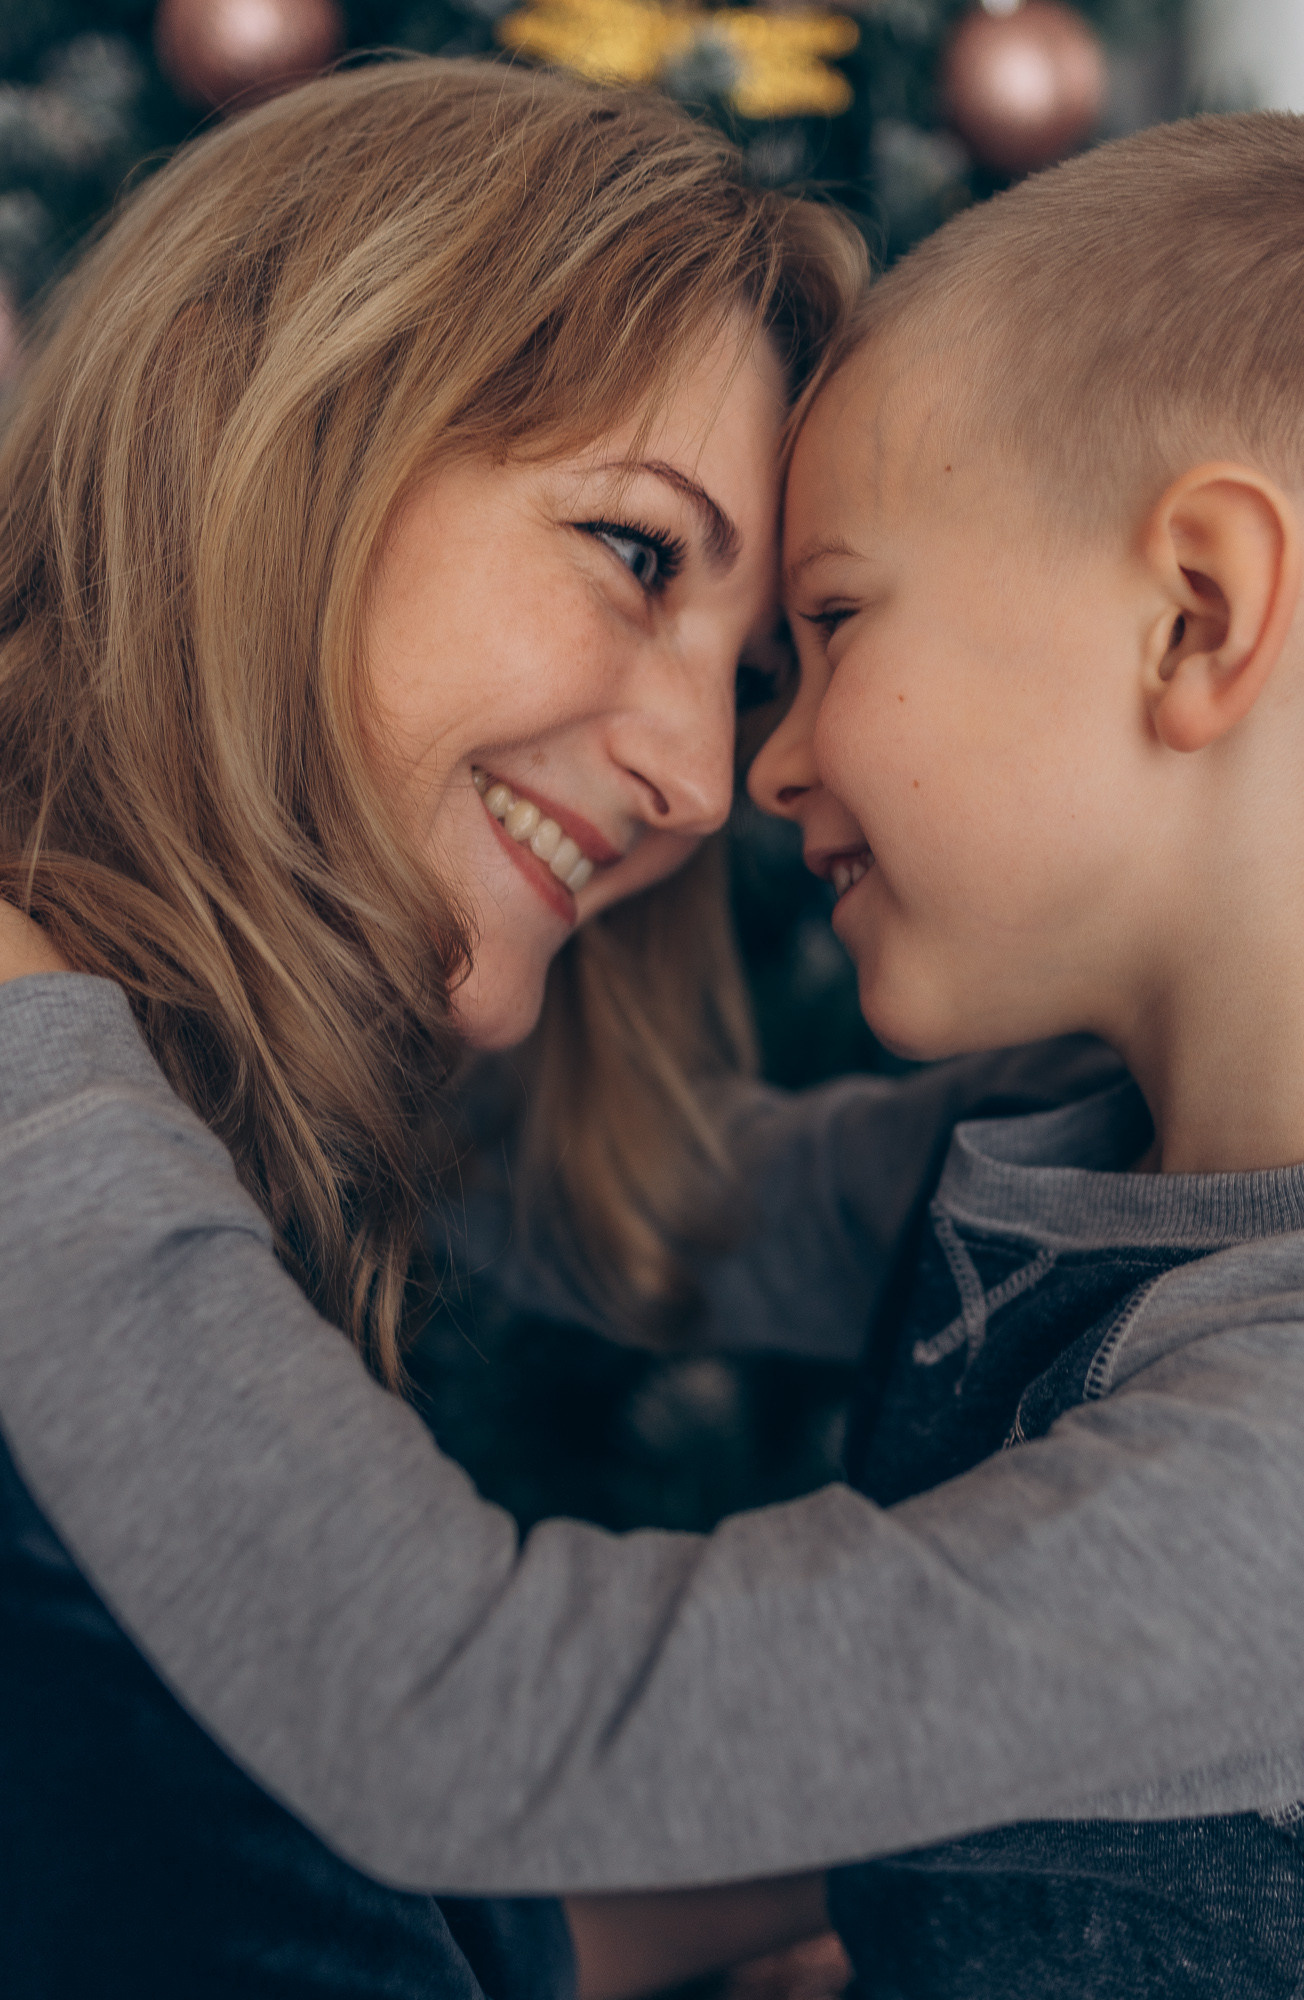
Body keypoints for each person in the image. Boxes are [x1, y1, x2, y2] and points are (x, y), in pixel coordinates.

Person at [0, 51, 1121, 2000]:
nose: (704, 775)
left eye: (759, 664)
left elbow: (249, 1887)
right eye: (632, 552)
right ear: (284, 423)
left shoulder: (229, 1127)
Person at [748, 108, 1304, 1998]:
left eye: (831, 621)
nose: (761, 766)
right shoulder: (1034, 1136)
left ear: (1194, 615)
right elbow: (635, 1213)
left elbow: (485, 1690)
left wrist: (43, 1056)